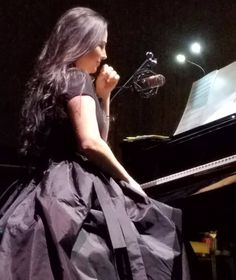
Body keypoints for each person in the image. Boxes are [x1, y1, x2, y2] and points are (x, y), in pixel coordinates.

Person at [0, 7, 190, 280]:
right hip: (74, 186)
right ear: (81, 42)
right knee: (162, 232)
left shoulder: (51, 80)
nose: (104, 55)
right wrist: (129, 181)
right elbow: (91, 142)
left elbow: (96, 136)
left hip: (46, 184)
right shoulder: (76, 78)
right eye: (100, 45)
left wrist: (104, 96)